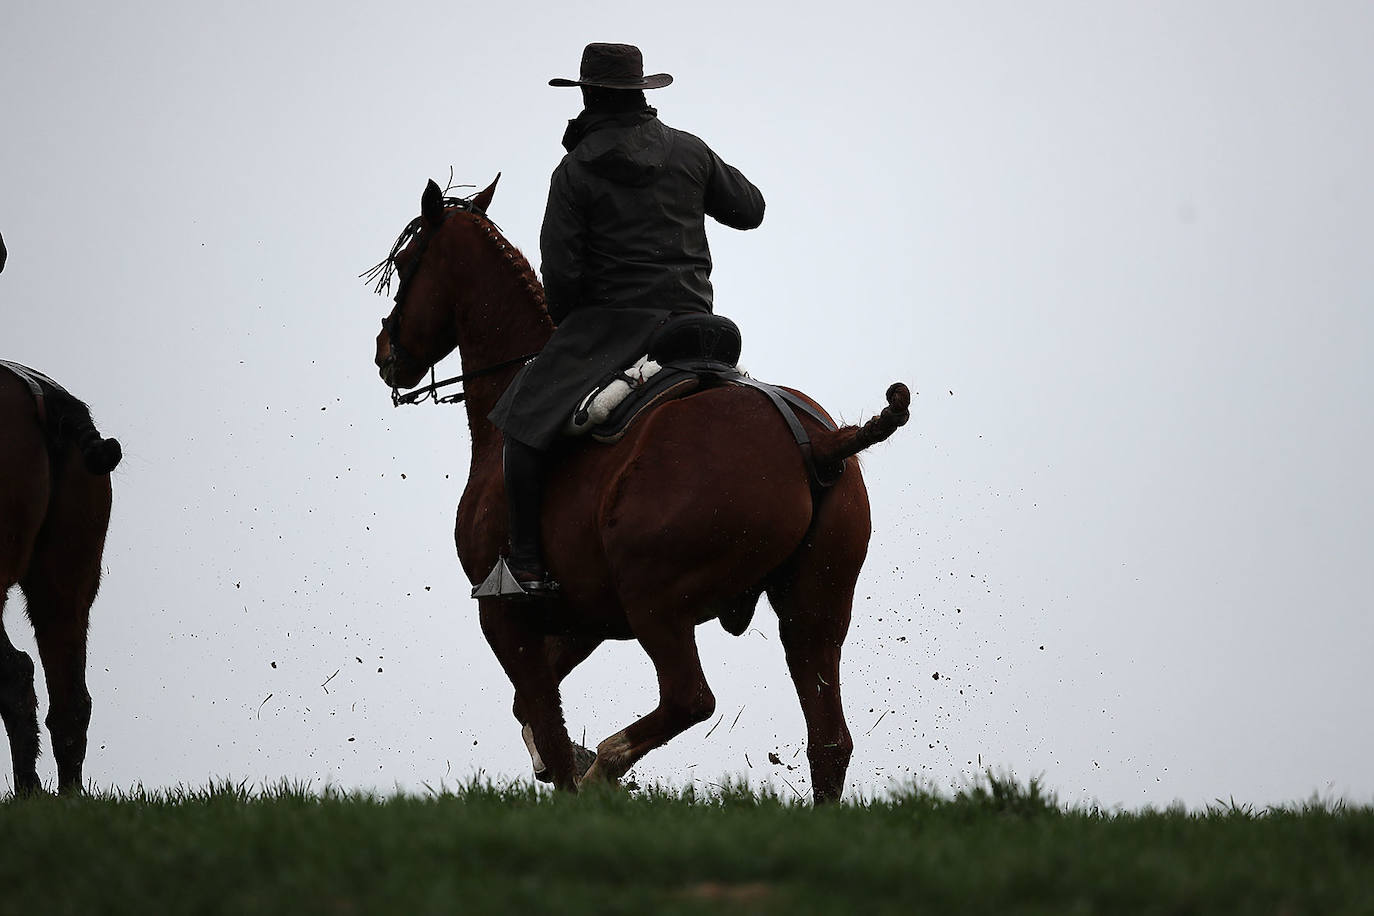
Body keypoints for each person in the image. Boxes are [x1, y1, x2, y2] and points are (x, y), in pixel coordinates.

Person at [484, 42, 765, 597]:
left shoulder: (573, 172)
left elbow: (561, 281)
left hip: (612, 328)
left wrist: (572, 324)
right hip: (697, 323)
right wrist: (698, 169)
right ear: (641, 92)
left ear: (588, 95)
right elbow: (750, 210)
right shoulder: (689, 151)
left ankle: (526, 568)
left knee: (521, 422)